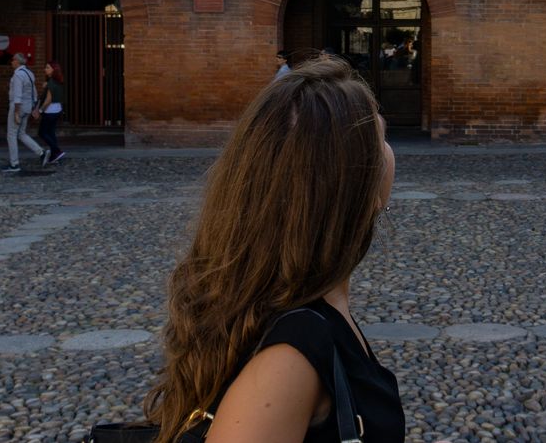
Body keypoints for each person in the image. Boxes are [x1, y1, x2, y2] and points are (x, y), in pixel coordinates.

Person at [145, 55, 403, 442]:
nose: (389, 151)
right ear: (352, 186)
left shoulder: (304, 307)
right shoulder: (289, 359)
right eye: (381, 137)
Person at [4, 52, 44, 173]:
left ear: (17, 61)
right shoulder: (29, 73)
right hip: (27, 106)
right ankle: (41, 152)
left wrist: (16, 112)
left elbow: (17, 95)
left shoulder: (18, 75)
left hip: (18, 107)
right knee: (21, 133)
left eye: (12, 60)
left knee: (11, 134)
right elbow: (34, 92)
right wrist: (34, 107)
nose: (11, 62)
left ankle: (14, 164)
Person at [33, 62, 67, 168]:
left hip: (50, 111)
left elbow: (48, 100)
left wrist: (40, 111)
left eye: (48, 67)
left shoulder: (51, 82)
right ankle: (54, 156)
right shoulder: (57, 81)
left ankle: (56, 151)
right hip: (57, 110)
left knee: (42, 133)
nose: (45, 69)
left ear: (53, 70)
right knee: (51, 133)